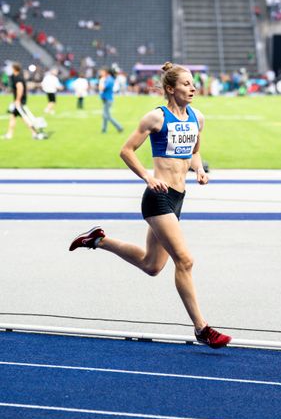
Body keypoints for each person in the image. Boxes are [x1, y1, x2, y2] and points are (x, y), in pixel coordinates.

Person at [69, 62, 231, 349]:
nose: (193, 88)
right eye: (185, 84)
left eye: (193, 83)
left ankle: (99, 240)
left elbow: (194, 151)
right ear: (170, 89)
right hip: (157, 196)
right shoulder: (156, 118)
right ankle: (202, 329)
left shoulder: (198, 118)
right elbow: (126, 150)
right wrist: (147, 176)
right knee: (185, 261)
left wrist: (199, 170)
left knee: (152, 265)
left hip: (178, 198)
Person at [2, 63, 41, 140]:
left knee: (24, 118)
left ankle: (35, 133)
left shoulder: (18, 78)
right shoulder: (15, 77)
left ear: (14, 69)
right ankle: (9, 134)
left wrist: (17, 100)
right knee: (13, 117)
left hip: (19, 102)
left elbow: (20, 89)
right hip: (17, 102)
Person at [98, 67, 123, 133]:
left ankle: (119, 127)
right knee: (105, 115)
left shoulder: (109, 80)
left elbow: (102, 88)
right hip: (106, 99)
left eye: (102, 71)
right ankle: (104, 129)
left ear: (106, 72)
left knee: (107, 116)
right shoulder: (108, 79)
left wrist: (101, 82)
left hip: (107, 99)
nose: (101, 73)